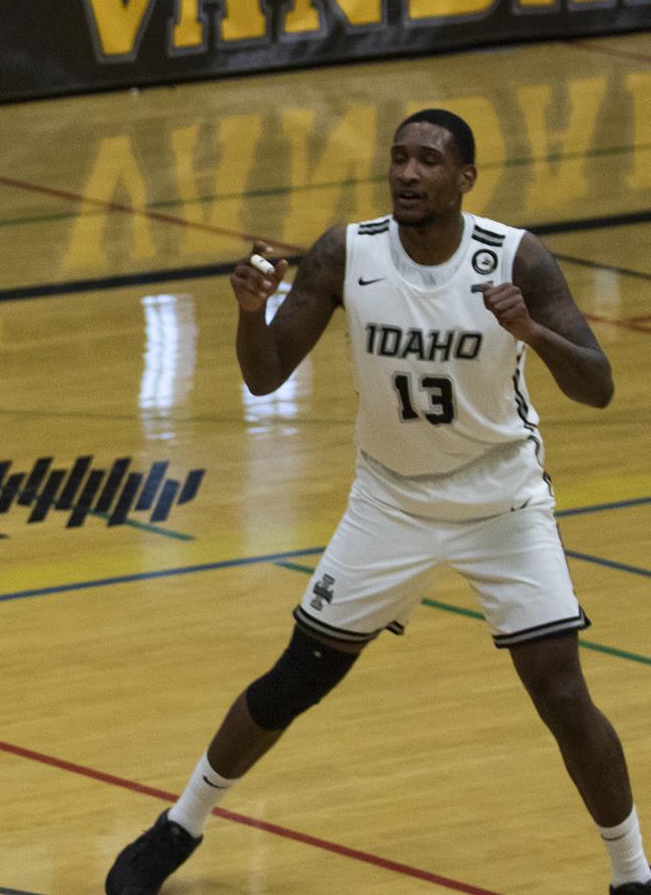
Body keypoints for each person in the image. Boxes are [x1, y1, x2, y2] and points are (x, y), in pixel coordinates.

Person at [106, 109, 638, 895]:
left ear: (465, 178)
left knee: (562, 691)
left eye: (428, 160)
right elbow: (265, 375)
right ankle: (178, 824)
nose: (408, 172)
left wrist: (531, 330)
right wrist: (251, 313)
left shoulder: (515, 256)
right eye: (398, 158)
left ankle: (632, 873)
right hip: (389, 501)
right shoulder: (346, 252)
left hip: (500, 500)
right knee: (298, 677)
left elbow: (597, 386)